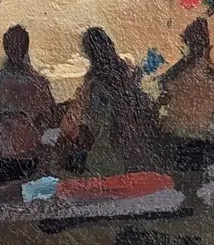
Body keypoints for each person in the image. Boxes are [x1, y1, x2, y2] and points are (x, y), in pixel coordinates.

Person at [56, 27, 162, 174]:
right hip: (133, 155)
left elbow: (75, 126)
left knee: (62, 160)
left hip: (105, 160)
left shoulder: (94, 85)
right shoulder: (127, 77)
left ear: (89, 53)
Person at [0, 25, 56, 181]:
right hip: (28, 164)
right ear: (26, 48)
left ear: (5, 47)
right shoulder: (39, 84)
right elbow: (49, 122)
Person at [157, 18, 214, 144]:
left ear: (187, 44)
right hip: (204, 136)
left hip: (177, 135)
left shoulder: (176, 72)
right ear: (206, 46)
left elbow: (162, 93)